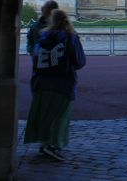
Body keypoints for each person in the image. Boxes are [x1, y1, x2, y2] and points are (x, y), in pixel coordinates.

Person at [23, 9, 86, 161]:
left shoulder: (42, 37)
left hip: (41, 82)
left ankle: (44, 142)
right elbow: (79, 62)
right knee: (60, 115)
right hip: (62, 83)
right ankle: (52, 145)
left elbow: (35, 59)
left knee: (44, 113)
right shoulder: (70, 38)